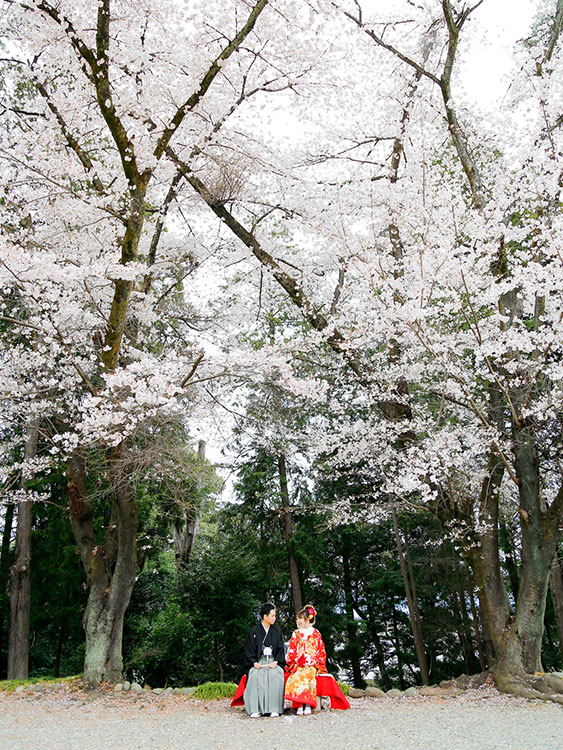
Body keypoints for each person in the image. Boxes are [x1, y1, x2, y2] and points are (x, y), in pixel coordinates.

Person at [242, 602, 286, 718]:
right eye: (272, 615)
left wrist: (276, 661)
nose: (274, 618)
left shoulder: (276, 631)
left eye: (274, 616)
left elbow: (281, 648)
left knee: (275, 675)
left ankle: (274, 708)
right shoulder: (254, 631)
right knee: (255, 675)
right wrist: (254, 662)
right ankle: (255, 709)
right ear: (265, 616)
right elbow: (249, 648)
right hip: (259, 661)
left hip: (272, 661)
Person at [284, 604, 327, 715]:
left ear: (307, 619)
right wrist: (297, 659)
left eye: (300, 619)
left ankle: (307, 704)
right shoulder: (296, 633)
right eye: (297, 619)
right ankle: (299, 704)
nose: (298, 621)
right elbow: (291, 650)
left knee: (308, 673)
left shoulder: (316, 634)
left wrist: (312, 660)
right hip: (297, 663)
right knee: (299, 673)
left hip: (312, 664)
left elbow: (321, 651)